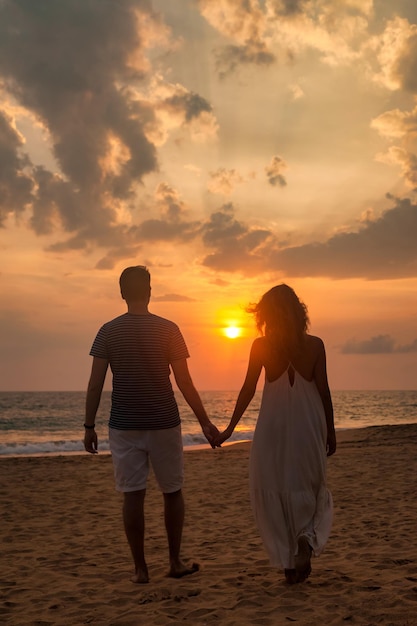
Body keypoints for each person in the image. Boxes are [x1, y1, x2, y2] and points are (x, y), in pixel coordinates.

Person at [83, 265, 219, 583]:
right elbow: (184, 381)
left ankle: (140, 569)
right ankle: (173, 561)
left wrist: (89, 426)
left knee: (133, 494)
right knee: (172, 492)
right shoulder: (169, 329)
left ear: (122, 293)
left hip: (124, 424)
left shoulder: (108, 330)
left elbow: (94, 384)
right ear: (149, 291)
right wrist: (205, 421)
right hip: (163, 422)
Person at [214, 284, 336, 584]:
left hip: (274, 425)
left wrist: (230, 427)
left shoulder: (261, 345)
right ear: (299, 312)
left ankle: (289, 562)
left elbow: (247, 389)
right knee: (308, 485)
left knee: (275, 485)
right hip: (309, 423)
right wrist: (330, 430)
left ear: (266, 315)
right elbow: (323, 390)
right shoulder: (315, 345)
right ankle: (304, 541)